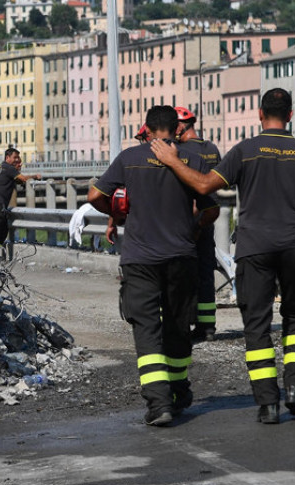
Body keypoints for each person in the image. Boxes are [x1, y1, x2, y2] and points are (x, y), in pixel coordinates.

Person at [151, 88, 295, 424]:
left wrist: (173, 161)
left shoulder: (245, 151)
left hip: (254, 250)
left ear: (260, 115)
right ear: (290, 115)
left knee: (257, 325)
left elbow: (206, 186)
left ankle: (267, 404)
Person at [88, 106, 216, 426]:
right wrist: (195, 228)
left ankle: (159, 404)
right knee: (177, 325)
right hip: (181, 255)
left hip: (140, 258)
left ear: (147, 127)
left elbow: (94, 195)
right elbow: (210, 208)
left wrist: (118, 216)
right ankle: (179, 389)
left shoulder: (129, 158)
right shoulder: (193, 159)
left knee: (146, 328)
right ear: (176, 129)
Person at [174, 106, 222, 342]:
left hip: (187, 218)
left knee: (182, 272)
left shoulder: (181, 151)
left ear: (182, 126)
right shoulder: (212, 149)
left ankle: (183, 322)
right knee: (206, 271)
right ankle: (208, 325)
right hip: (208, 216)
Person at [0, 148, 41, 260]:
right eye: (15, 157)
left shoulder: (3, 167)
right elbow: (23, 179)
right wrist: (36, 176)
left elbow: (18, 180)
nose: (17, 160)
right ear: (7, 158)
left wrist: (19, 172)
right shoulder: (9, 168)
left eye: (18, 158)